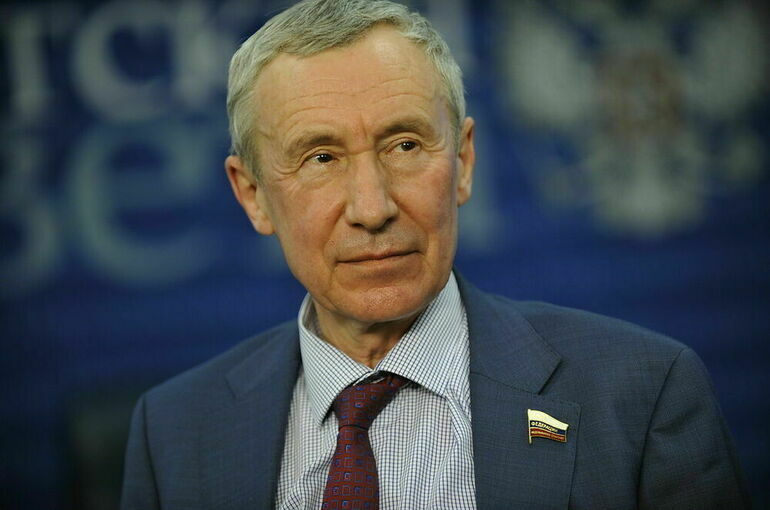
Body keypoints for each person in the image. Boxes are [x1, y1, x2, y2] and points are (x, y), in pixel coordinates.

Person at [121, 0, 749, 508]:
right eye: (321, 157)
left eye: (404, 145)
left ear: (464, 162)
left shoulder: (639, 396)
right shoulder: (175, 433)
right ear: (254, 195)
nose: (372, 208)